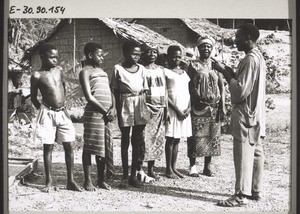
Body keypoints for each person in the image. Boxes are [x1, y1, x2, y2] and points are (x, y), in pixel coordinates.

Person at [213, 23, 266, 207]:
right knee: (256, 151)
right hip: (256, 112)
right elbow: (245, 82)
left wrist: (223, 73)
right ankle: (255, 190)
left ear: (248, 38)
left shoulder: (250, 60)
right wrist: (227, 69)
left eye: (238, 37)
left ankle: (241, 195)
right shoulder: (256, 57)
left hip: (245, 113)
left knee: (243, 152)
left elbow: (240, 91)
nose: (235, 40)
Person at [30, 43, 82, 192]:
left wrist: (63, 106)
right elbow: (34, 98)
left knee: (69, 145)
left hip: (62, 112)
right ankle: (49, 182)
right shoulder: (37, 75)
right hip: (47, 113)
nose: (55, 60)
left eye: (56, 57)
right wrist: (43, 111)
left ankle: (70, 181)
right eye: (51, 57)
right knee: (48, 147)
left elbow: (63, 88)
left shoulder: (59, 70)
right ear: (42, 57)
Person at [110, 40, 150, 188]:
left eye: (139, 55)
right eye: (134, 54)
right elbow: (114, 90)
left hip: (139, 103)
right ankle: (125, 176)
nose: (136, 57)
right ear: (125, 53)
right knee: (125, 140)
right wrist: (114, 107)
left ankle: (134, 175)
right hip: (125, 104)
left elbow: (145, 89)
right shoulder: (117, 69)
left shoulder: (142, 69)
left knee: (137, 141)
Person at [186, 37, 226, 177]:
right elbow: (188, 84)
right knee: (195, 136)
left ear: (212, 48)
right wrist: (192, 100)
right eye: (203, 46)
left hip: (214, 106)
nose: (206, 49)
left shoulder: (216, 65)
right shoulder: (193, 65)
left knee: (212, 136)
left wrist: (223, 105)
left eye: (209, 46)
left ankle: (207, 166)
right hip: (198, 106)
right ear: (198, 48)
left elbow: (221, 86)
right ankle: (192, 166)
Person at [79, 42, 116, 191]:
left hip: (106, 115)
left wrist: (113, 107)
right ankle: (87, 181)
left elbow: (110, 92)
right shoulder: (85, 72)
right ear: (90, 55)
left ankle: (101, 180)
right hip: (94, 114)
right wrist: (104, 111)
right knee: (90, 147)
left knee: (103, 148)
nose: (102, 57)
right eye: (99, 55)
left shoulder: (103, 71)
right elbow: (89, 96)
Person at [138, 44, 169, 182]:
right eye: (149, 52)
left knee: (157, 139)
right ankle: (140, 169)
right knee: (144, 140)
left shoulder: (161, 70)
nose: (152, 54)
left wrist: (166, 109)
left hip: (160, 108)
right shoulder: (141, 70)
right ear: (144, 54)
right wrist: (143, 109)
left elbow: (165, 90)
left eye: (154, 52)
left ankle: (151, 169)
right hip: (147, 108)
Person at [164, 45, 192, 179]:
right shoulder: (165, 72)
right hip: (173, 109)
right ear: (168, 57)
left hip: (184, 110)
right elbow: (165, 94)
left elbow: (188, 92)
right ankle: (168, 169)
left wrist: (189, 108)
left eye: (179, 57)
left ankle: (174, 167)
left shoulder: (184, 72)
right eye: (174, 56)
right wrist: (176, 109)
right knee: (170, 138)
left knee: (177, 139)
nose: (177, 59)